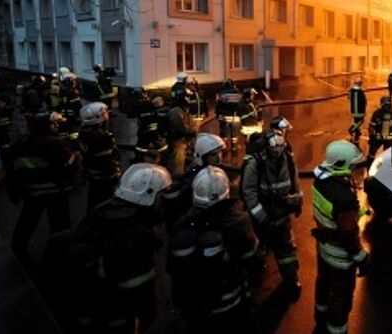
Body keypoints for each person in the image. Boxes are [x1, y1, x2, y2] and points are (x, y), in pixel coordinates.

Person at [74, 163, 172, 333]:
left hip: (89, 305)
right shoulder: (136, 236)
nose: (164, 199)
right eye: (161, 194)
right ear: (149, 195)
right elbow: (138, 288)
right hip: (117, 315)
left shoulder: (102, 211)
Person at [168, 166, 261, 333]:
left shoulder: (182, 226)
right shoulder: (239, 222)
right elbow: (252, 257)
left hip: (196, 308)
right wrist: (256, 282)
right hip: (232, 301)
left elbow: (172, 268)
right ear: (226, 192)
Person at [311, 140, 372, 334]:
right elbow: (347, 235)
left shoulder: (320, 182)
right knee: (341, 297)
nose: (355, 169)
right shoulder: (343, 198)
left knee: (323, 283)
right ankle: (336, 330)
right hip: (340, 258)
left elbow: (331, 216)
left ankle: (320, 316)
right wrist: (362, 258)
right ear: (341, 164)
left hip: (324, 249)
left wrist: (359, 213)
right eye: (353, 165)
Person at [240, 130, 303, 299]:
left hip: (281, 217)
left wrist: (298, 201)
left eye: (281, 148)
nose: (277, 152)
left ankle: (291, 280)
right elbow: (249, 193)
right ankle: (256, 280)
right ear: (266, 148)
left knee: (287, 252)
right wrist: (262, 217)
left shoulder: (288, 159)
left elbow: (295, 184)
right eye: (274, 149)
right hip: (262, 219)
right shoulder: (255, 163)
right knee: (257, 250)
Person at [10, 111, 79, 258]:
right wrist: (75, 156)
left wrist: (14, 191)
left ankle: (18, 247)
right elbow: (68, 165)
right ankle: (61, 254)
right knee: (60, 224)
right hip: (55, 191)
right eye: (53, 124)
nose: (56, 127)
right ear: (47, 126)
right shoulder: (56, 143)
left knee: (27, 221)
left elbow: (14, 170)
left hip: (32, 192)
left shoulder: (22, 144)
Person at [163, 132, 227, 227]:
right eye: (213, 154)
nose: (219, 157)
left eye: (220, 152)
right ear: (203, 157)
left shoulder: (208, 169)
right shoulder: (198, 178)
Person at [79, 102, 123, 209]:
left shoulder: (85, 131)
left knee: (93, 198)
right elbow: (106, 159)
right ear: (97, 117)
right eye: (104, 113)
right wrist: (115, 174)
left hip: (92, 174)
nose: (107, 114)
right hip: (103, 177)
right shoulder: (100, 136)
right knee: (103, 202)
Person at [167, 91, 196, 175]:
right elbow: (180, 128)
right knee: (177, 165)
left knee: (181, 162)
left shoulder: (184, 111)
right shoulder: (176, 112)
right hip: (177, 142)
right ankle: (176, 181)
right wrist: (192, 131)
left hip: (183, 142)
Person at [367, 96, 392, 160]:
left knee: (372, 153)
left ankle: (370, 163)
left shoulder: (377, 113)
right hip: (390, 138)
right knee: (388, 155)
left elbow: (372, 126)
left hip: (378, 137)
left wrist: (371, 137)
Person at [216, 79, 243, 147]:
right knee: (235, 132)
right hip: (235, 116)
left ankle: (224, 145)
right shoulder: (239, 93)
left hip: (224, 116)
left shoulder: (221, 94)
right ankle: (234, 146)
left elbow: (218, 106)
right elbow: (241, 105)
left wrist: (217, 115)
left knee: (224, 131)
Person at [58, 73, 83, 147]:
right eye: (74, 81)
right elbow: (77, 105)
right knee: (74, 134)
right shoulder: (73, 92)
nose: (75, 82)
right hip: (73, 117)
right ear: (70, 82)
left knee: (63, 133)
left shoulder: (62, 90)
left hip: (62, 116)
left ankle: (64, 146)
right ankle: (74, 147)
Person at [347, 77, 366, 145]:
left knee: (356, 121)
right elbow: (364, 102)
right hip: (360, 110)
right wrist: (364, 111)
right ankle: (352, 129)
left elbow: (349, 98)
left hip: (353, 110)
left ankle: (358, 132)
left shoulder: (351, 91)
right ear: (360, 84)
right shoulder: (361, 92)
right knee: (361, 121)